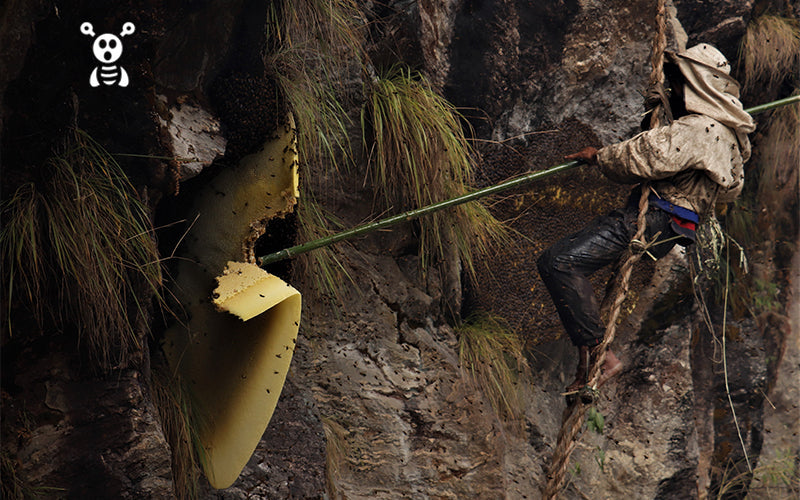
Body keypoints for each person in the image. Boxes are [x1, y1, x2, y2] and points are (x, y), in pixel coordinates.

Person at [537, 43, 756, 397]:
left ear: (694, 85)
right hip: (672, 228)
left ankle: (601, 357)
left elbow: (644, 157)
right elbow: (730, 190)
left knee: (558, 262)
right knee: (575, 268)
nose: (674, 90)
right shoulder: (728, 139)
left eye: (677, 83)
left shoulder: (699, 128)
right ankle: (588, 363)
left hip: (653, 217)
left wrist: (599, 156)